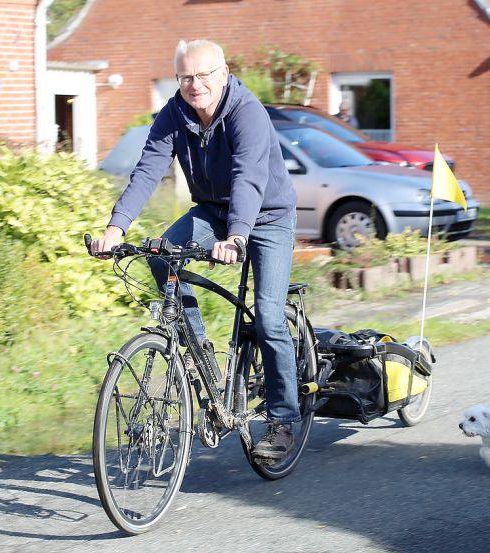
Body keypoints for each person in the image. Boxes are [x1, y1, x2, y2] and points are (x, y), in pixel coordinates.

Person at [90, 39, 300, 463]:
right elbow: (149, 168)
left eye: (204, 74)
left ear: (223, 73)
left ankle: (282, 420)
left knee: (269, 317)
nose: (194, 84)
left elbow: (247, 178)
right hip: (213, 213)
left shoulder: (247, 113)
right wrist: (116, 228)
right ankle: (200, 349)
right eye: (186, 76)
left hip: (268, 217)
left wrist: (237, 237)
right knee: (158, 254)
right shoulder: (174, 113)